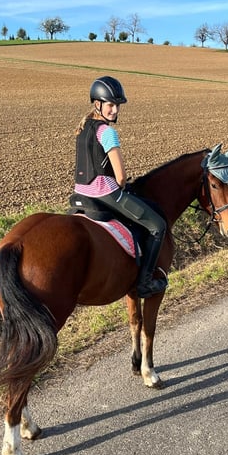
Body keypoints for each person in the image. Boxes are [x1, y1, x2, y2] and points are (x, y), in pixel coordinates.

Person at [73, 76, 168, 297]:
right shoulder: (107, 132)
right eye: (110, 105)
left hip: (81, 193)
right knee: (157, 225)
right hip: (106, 193)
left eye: (117, 106)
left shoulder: (83, 128)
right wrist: (122, 184)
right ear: (97, 104)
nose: (115, 110)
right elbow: (121, 177)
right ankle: (144, 283)